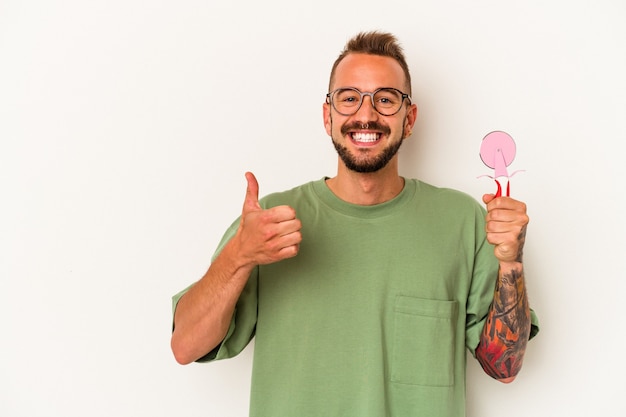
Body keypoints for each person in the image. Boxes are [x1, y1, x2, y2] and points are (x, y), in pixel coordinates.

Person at [170, 31, 539, 417]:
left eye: (385, 99)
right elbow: (185, 346)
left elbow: (504, 368)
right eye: (349, 98)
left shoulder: (463, 222)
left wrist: (511, 263)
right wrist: (239, 256)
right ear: (328, 116)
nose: (366, 115)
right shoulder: (269, 222)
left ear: (408, 118)